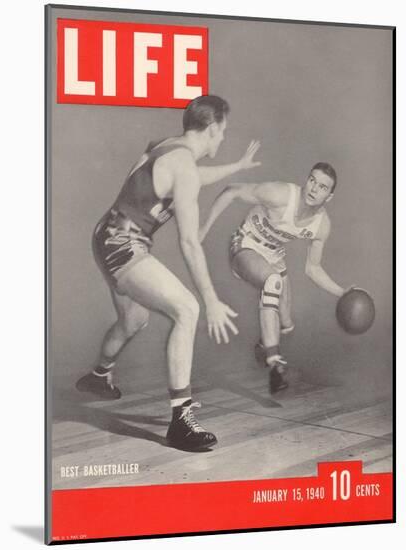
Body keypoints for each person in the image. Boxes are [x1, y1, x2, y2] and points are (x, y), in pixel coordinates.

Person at [76, 95, 261, 451]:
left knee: (133, 320)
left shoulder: (166, 148)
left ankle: (99, 377)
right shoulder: (185, 169)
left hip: (105, 232)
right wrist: (211, 299)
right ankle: (181, 419)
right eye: (223, 132)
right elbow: (190, 243)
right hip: (124, 243)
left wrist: (237, 166)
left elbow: (190, 177)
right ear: (210, 128)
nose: (223, 139)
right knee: (187, 309)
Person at [199, 162, 351, 393]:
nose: (313, 189)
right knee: (273, 282)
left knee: (287, 325)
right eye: (312, 180)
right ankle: (274, 365)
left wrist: (342, 293)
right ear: (306, 179)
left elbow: (313, 268)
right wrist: (203, 230)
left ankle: (264, 347)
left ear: (329, 196)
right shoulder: (280, 194)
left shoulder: (322, 225)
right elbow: (232, 190)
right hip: (246, 245)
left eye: (322, 187)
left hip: (273, 257)